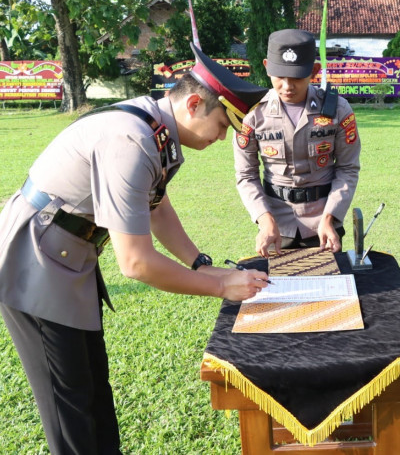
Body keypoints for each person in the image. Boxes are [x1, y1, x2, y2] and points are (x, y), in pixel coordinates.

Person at [0, 44, 271, 454]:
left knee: (93, 388)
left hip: (70, 254)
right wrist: (220, 287)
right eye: (221, 124)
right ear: (194, 103)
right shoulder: (132, 140)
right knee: (69, 403)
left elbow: (156, 206)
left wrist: (200, 264)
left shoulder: (156, 129)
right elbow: (136, 263)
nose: (221, 138)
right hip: (35, 261)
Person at [233, 29, 361, 258]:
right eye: (279, 76)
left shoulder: (338, 110)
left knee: (329, 290)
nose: (287, 86)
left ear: (314, 71)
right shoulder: (252, 114)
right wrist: (265, 220)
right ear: (266, 66)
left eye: (296, 77)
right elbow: (246, 175)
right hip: (276, 225)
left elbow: (347, 169)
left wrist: (331, 217)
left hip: (324, 222)